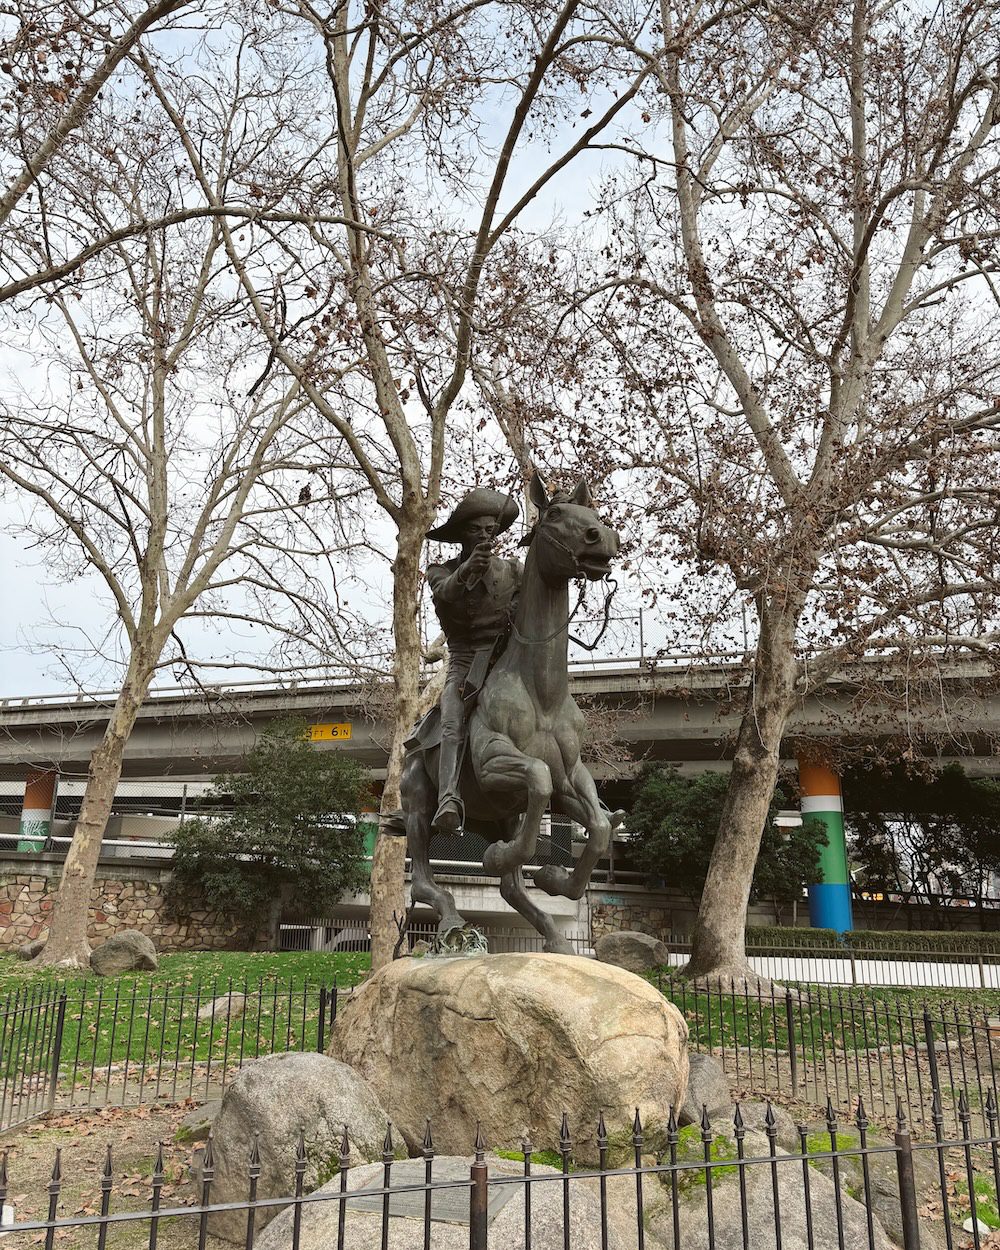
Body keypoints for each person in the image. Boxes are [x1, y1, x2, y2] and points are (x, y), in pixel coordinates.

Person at [424, 488, 522, 834]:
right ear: (462, 534)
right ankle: (448, 798)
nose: (484, 534)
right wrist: (467, 571)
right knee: (451, 721)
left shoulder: (514, 570)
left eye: (489, 529)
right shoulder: (439, 570)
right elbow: (445, 593)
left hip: (507, 665)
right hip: (465, 665)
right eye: (475, 529)